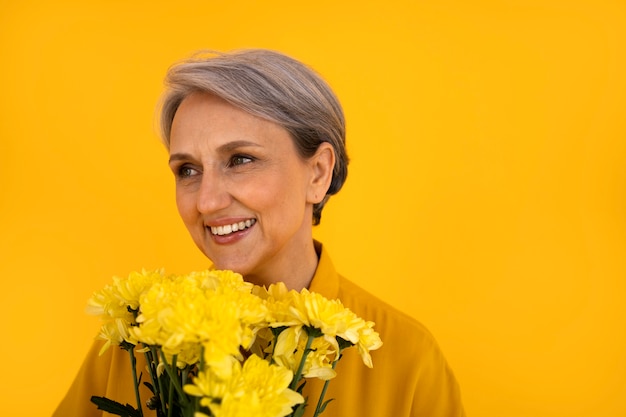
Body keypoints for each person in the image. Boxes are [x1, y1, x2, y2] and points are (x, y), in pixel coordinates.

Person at [53, 49, 465, 417]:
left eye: (240, 159)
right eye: (188, 170)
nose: (207, 202)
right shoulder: (136, 343)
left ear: (318, 174)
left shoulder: (407, 360)